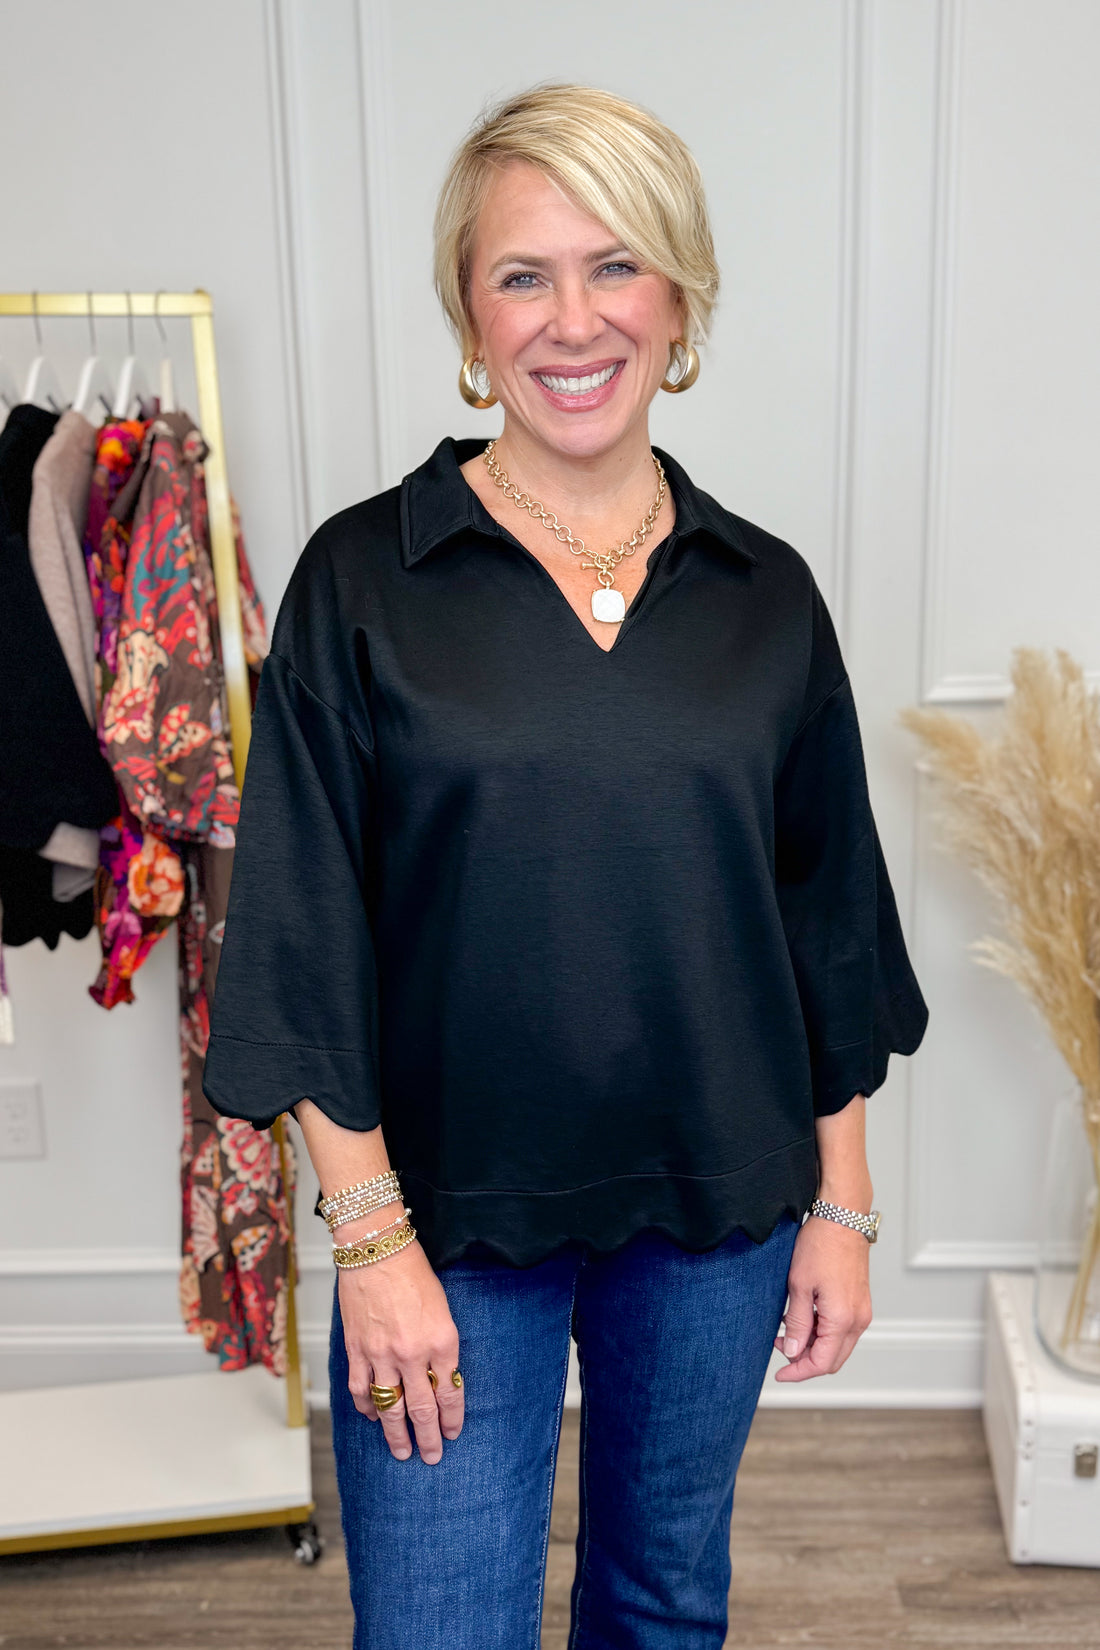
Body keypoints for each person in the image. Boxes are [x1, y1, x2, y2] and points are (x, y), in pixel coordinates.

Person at [203, 81, 929, 1650]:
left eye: (617, 266)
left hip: (721, 1210)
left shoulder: (765, 595)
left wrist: (844, 1204)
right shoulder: (362, 580)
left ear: (679, 300)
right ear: (470, 311)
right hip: (446, 1223)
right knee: (442, 1628)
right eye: (522, 274)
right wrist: (373, 1243)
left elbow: (830, 923)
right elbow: (301, 936)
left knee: (663, 1604)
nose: (572, 319)